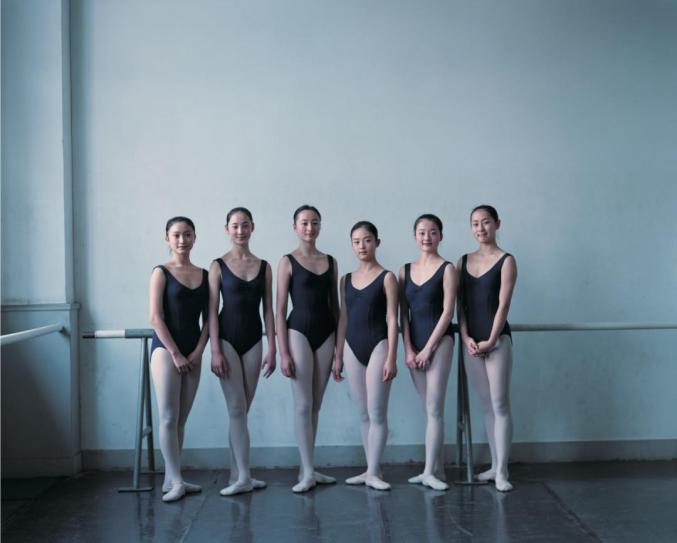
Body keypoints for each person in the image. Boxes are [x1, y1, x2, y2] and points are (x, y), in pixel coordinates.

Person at [208, 207, 276, 496]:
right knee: (236, 408)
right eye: (235, 226)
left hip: (253, 341)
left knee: (241, 411)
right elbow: (211, 311)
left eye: (245, 225)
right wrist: (214, 351)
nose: (240, 231)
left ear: (252, 228)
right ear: (227, 229)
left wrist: (273, 348)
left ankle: (236, 473)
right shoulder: (217, 266)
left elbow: (269, 311)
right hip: (226, 340)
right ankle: (245, 477)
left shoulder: (264, 266)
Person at [276, 205, 339, 493]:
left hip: (326, 332)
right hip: (298, 331)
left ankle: (308, 468)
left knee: (316, 404)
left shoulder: (330, 261)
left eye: (314, 222)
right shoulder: (287, 261)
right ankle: (308, 472)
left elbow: (335, 307)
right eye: (304, 223)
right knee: (303, 404)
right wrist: (283, 352)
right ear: (295, 227)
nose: (309, 228)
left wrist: (339, 349)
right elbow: (279, 310)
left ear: (320, 226)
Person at [333, 221, 398, 490]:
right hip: (351, 347)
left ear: (377, 243)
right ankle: (372, 469)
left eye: (367, 240)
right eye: (357, 241)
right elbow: (343, 319)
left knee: (377, 413)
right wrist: (338, 356)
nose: (362, 246)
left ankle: (373, 472)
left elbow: (392, 319)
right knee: (363, 414)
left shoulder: (388, 277)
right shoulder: (345, 280)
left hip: (379, 345)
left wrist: (392, 356)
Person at [149, 216, 209, 502]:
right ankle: (176, 480)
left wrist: (197, 352)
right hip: (165, 349)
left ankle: (171, 479)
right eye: (176, 235)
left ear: (194, 237)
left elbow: (210, 319)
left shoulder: (204, 275)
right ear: (167, 238)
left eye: (187, 234)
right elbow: (155, 317)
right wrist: (175, 353)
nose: (182, 240)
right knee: (168, 417)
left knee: (181, 419)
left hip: (193, 350)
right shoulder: (161, 272)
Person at [457, 204, 517, 492]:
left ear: (497, 224)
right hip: (471, 342)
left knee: (500, 404)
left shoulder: (506, 261)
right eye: (475, 223)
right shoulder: (462, 261)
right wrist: (466, 337)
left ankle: (502, 471)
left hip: (497, 340)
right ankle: (494, 465)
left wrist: (491, 340)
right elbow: (460, 307)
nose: (480, 228)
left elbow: (503, 305)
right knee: (486, 407)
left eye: (486, 222)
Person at [400, 214, 457, 491]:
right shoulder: (404, 271)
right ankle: (439, 468)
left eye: (433, 232)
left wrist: (429, 348)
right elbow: (402, 314)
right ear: (415, 236)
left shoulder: (447, 269)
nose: (427, 237)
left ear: (440, 236)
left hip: (440, 341)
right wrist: (409, 349)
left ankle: (427, 472)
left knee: (434, 407)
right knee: (429, 409)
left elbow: (448, 312)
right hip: (414, 344)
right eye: (422, 232)